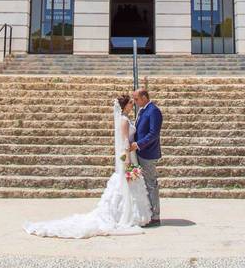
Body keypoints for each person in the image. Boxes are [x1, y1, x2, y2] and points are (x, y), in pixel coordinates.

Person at [23, 94, 152, 238]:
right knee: (126, 185)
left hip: (129, 154)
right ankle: (126, 215)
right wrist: (127, 160)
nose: (132, 105)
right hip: (127, 155)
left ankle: (129, 213)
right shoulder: (124, 121)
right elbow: (124, 142)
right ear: (125, 106)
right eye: (130, 103)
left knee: (127, 185)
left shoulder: (125, 119)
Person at [130, 87, 162, 226]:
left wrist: (139, 144)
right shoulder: (143, 111)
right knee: (146, 183)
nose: (135, 102)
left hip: (148, 153)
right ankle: (148, 213)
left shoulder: (153, 111)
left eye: (137, 99)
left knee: (151, 183)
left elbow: (153, 133)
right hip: (140, 153)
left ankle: (155, 216)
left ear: (144, 97)